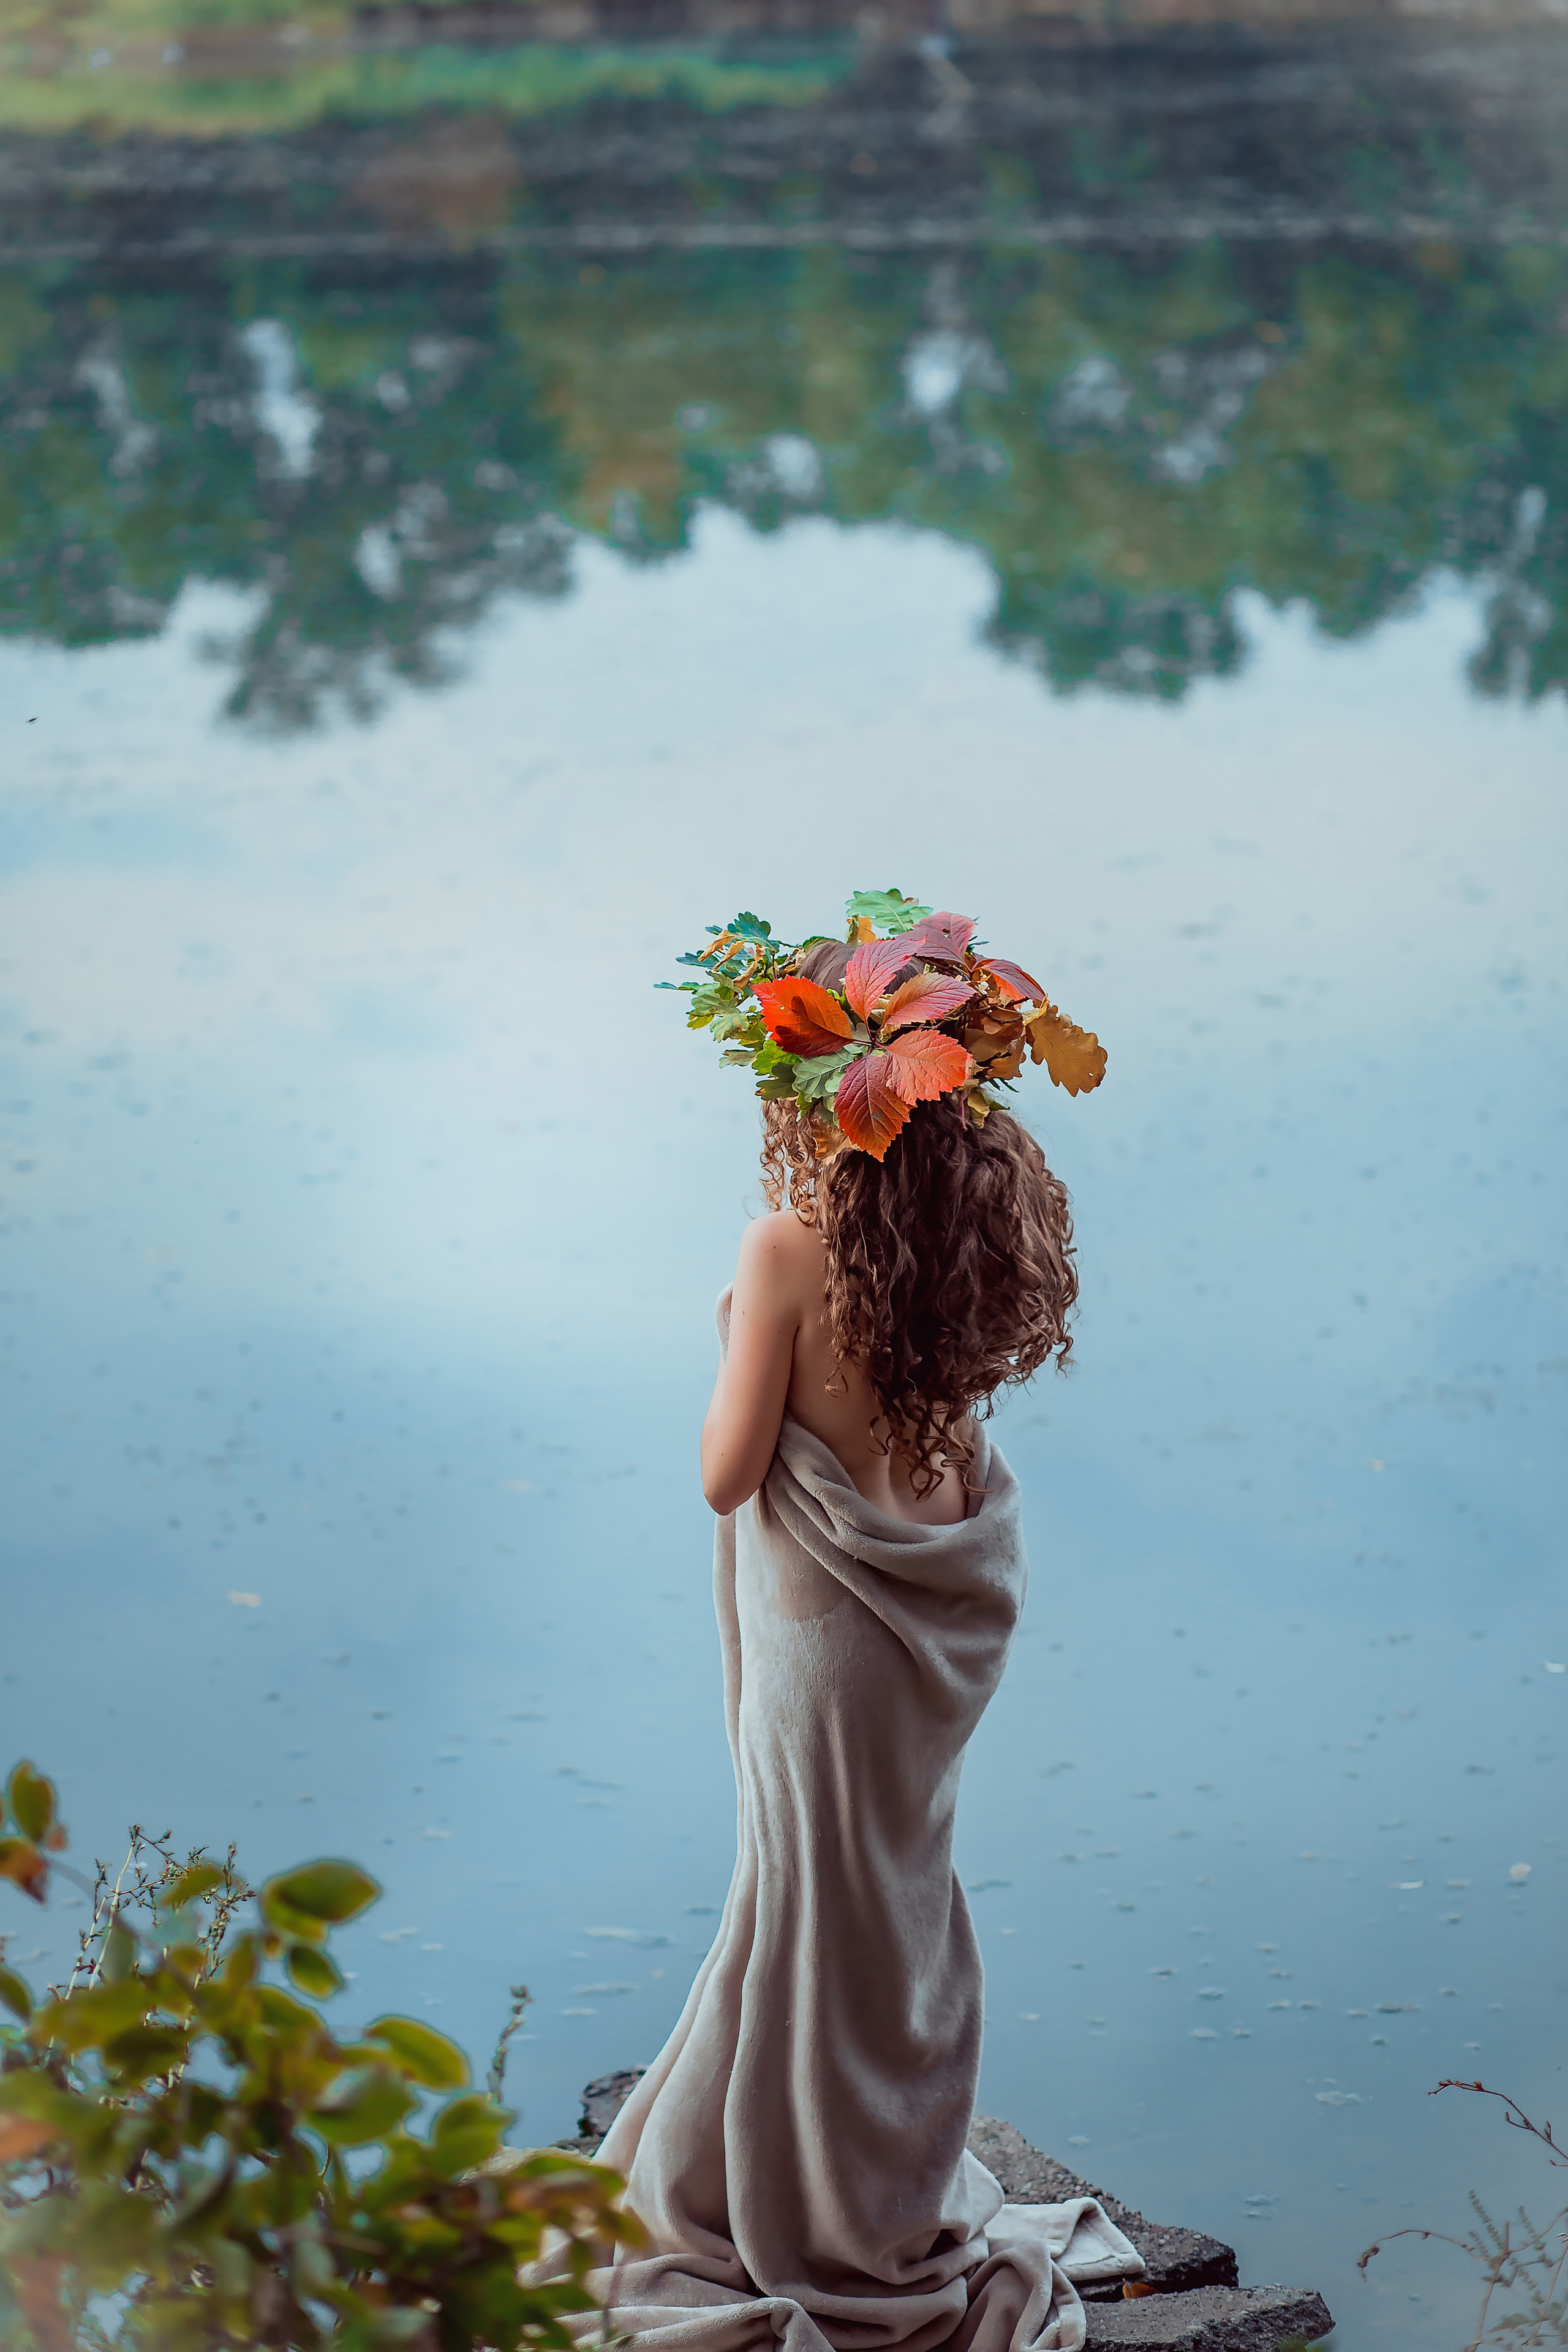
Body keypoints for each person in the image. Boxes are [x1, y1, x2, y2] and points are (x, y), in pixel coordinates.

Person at [581, 898, 1139, 2352]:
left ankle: (795, 2197)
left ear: (821, 1101)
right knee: (893, 1901)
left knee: (803, 1906)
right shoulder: (949, 1250)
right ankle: (871, 2170)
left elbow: (724, 1475)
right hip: (940, 1623)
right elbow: (934, 1442)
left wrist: (731, 1334)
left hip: (824, 1638)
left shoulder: (784, 1251)